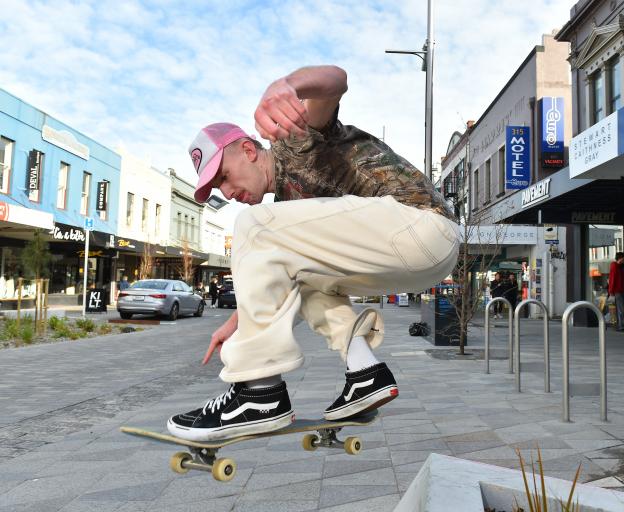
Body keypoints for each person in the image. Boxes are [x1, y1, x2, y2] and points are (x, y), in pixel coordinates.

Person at [167, 65, 459, 442]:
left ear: (248, 150)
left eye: (224, 176)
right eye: (217, 188)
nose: (227, 192)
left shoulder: (295, 138)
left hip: (422, 226)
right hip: (415, 256)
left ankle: (258, 393)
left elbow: (336, 82)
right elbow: (274, 281)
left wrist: (286, 85)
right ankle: (365, 372)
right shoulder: (289, 225)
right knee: (303, 278)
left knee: (253, 225)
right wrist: (235, 323)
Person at [608, 252, 624, 331]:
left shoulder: (619, 267)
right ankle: (619, 326)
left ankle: (617, 325)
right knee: (619, 309)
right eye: (623, 258)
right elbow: (612, 279)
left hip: (618, 291)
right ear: (620, 258)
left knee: (615, 308)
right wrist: (611, 291)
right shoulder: (614, 266)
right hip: (616, 291)